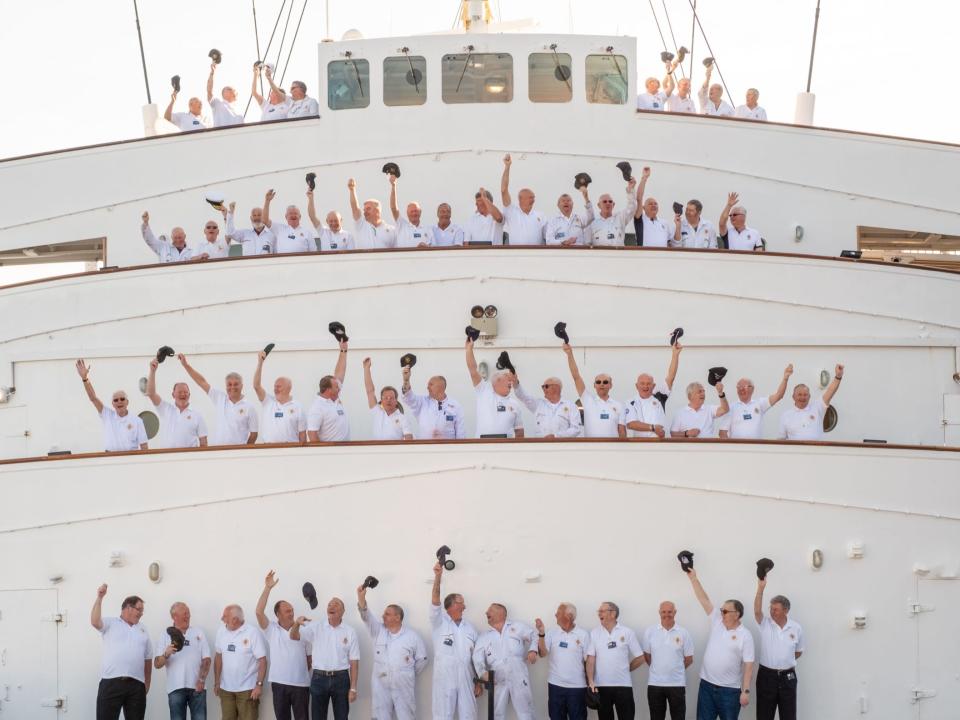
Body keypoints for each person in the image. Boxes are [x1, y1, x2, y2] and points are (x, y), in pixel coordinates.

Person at [686, 568, 755, 719]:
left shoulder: (745, 635)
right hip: (706, 687)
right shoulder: (717, 620)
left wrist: (746, 691)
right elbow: (704, 599)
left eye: (725, 611)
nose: (721, 613)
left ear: (736, 615)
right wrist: (693, 578)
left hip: (729, 692)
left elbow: (749, 665)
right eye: (721, 610)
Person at [356, 582, 428, 720]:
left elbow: (422, 659)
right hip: (380, 685)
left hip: (404, 686)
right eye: (384, 613)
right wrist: (361, 598)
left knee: (406, 717)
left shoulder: (412, 636)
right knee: (380, 717)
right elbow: (365, 616)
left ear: (398, 617)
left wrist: (407, 672)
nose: (383, 616)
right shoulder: (377, 631)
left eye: (387, 614)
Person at [291, 596, 360, 720]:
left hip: (341, 679)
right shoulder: (315, 627)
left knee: (342, 717)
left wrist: (353, 688)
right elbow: (294, 636)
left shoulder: (350, 631)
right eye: (329, 604)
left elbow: (354, 661)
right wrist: (296, 623)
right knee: (318, 717)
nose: (332, 606)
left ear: (343, 611)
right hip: (319, 679)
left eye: (336, 604)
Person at [255, 571, 311, 720]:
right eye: (287, 611)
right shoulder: (271, 629)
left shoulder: (304, 629)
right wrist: (268, 588)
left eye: (292, 610)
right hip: (279, 684)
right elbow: (259, 612)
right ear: (278, 615)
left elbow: (309, 659)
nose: (291, 613)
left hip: (301, 685)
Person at [92, 584, 152, 720]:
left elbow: (148, 658)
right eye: (139, 609)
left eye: (142, 610)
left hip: (136, 686)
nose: (141, 613)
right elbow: (95, 622)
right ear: (128, 608)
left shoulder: (143, 629)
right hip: (111, 683)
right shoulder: (111, 623)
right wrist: (100, 597)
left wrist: (147, 683)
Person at [430, 561, 480, 720]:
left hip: (467, 678)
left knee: (469, 716)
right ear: (450, 606)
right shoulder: (439, 622)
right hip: (444, 678)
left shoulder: (470, 628)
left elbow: (476, 657)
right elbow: (435, 600)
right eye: (461, 603)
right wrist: (438, 576)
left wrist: (478, 681)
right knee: (443, 716)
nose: (464, 606)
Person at [472, 603, 539, 720]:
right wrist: (482, 673)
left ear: (501, 613)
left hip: (518, 673)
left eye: (490, 611)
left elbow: (534, 636)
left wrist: (533, 650)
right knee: (496, 713)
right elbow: (476, 657)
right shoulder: (484, 636)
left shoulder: (517, 627)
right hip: (496, 677)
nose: (486, 613)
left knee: (525, 711)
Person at [178, 353, 258, 446]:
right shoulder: (220, 398)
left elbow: (254, 434)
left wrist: (244, 450)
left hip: (239, 453)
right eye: (229, 384)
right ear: (226, 386)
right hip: (219, 451)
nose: (232, 387)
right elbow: (201, 381)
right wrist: (185, 365)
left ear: (242, 386)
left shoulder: (249, 407)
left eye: (236, 384)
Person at [754, 572, 803, 720]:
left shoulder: (796, 628)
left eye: (776, 609)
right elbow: (757, 611)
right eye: (771, 608)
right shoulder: (766, 624)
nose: (772, 611)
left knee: (788, 716)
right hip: (766, 677)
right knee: (764, 716)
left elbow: (798, 652)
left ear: (786, 610)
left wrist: (784, 661)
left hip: (787, 677)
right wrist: (760, 588)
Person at [586, 602, 644, 720]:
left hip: (623, 686)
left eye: (602, 611)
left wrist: (626, 669)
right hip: (601, 686)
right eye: (599, 611)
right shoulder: (594, 633)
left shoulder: (627, 632)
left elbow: (640, 657)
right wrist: (591, 681)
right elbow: (590, 659)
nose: (599, 614)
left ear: (613, 614)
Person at [155, 602, 212, 720]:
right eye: (185, 613)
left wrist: (201, 680)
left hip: (197, 688)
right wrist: (166, 654)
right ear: (174, 616)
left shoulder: (198, 632)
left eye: (189, 613)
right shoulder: (165, 635)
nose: (188, 616)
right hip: (175, 688)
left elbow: (206, 659)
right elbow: (157, 664)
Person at [76, 359, 148, 451]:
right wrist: (84, 378)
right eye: (116, 400)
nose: (119, 402)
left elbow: (144, 447)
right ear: (112, 404)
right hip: (110, 460)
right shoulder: (107, 415)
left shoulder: (137, 421)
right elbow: (93, 398)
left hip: (130, 461)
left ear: (127, 402)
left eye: (122, 399)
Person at [536, 604, 592, 720]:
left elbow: (589, 661)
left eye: (559, 613)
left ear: (569, 616)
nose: (555, 615)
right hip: (555, 686)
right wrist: (541, 633)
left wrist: (590, 683)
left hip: (577, 687)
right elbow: (542, 654)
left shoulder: (583, 635)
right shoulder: (552, 633)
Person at [641, 602, 694, 720]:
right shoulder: (650, 631)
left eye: (670, 611)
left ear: (675, 612)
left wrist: (676, 668)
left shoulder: (683, 632)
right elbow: (647, 656)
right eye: (663, 611)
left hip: (677, 684)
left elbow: (689, 659)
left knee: (678, 717)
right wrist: (658, 668)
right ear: (659, 612)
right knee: (656, 717)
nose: (666, 614)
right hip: (655, 684)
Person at [562, 343, 625, 439]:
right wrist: (570, 354)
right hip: (591, 449)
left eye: (605, 382)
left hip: (613, 449)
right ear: (594, 385)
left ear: (610, 385)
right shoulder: (587, 400)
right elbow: (576, 377)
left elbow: (622, 430)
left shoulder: (619, 405)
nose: (602, 384)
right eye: (598, 382)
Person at [214, 605, 267, 720]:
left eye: (225, 616)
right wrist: (217, 681)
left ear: (235, 619)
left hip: (247, 690)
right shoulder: (221, 631)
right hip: (226, 690)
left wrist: (259, 685)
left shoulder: (252, 632)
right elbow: (218, 657)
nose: (222, 619)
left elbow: (262, 660)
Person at [465, 337, 524, 438]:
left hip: (506, 448)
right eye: (507, 378)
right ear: (497, 380)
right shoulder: (483, 390)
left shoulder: (514, 404)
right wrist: (469, 349)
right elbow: (473, 370)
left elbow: (519, 432)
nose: (510, 382)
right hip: (482, 446)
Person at [623, 339, 682, 438]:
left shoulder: (659, 396)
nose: (645, 386)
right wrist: (653, 428)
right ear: (636, 386)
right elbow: (631, 424)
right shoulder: (630, 402)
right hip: (641, 445)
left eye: (648, 384)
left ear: (653, 386)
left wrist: (675, 354)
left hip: (662, 444)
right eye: (642, 383)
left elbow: (670, 377)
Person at [146, 357, 209, 448]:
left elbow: (203, 442)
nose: (183, 394)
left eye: (185, 392)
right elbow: (151, 393)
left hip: (189, 459)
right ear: (173, 395)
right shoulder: (165, 408)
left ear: (189, 395)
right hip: (167, 458)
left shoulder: (197, 415)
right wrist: (152, 371)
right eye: (179, 392)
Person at [719, 365, 793, 440]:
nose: (741, 390)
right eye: (739, 387)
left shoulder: (760, 404)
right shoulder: (730, 408)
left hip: (756, 449)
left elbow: (779, 395)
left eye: (745, 387)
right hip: (738, 450)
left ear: (752, 388)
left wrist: (785, 378)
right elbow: (722, 432)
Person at [253, 350, 307, 444]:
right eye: (275, 386)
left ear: (288, 388)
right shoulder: (268, 401)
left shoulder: (298, 406)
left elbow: (302, 434)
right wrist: (260, 363)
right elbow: (256, 386)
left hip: (291, 449)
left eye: (279, 386)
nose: (275, 389)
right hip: (269, 449)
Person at [779, 364, 844, 441]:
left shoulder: (817, 407)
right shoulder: (786, 415)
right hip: (795, 452)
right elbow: (781, 440)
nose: (802, 397)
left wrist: (838, 377)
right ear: (793, 397)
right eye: (799, 394)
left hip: (816, 451)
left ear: (809, 396)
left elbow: (830, 392)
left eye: (805, 395)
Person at [401, 363, 466, 439]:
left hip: (447, 449)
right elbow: (408, 397)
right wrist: (406, 380)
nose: (427, 387)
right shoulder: (422, 402)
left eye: (431, 385)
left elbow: (461, 434)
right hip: (425, 448)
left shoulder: (455, 406)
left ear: (441, 387)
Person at [512, 373, 582, 438]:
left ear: (556, 387)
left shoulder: (571, 406)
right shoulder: (538, 404)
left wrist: (556, 436)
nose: (543, 389)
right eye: (543, 387)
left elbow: (576, 429)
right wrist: (516, 384)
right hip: (541, 447)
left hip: (561, 447)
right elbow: (523, 396)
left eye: (546, 386)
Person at [307, 338, 350, 442]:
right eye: (336, 387)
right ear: (328, 390)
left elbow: (340, 372)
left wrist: (343, 351)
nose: (340, 388)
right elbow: (312, 434)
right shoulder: (317, 408)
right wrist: (322, 454)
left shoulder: (335, 398)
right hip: (331, 453)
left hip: (345, 451)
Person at [363, 357, 413, 440]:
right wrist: (366, 368)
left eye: (391, 398)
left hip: (395, 452)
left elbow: (409, 439)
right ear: (381, 401)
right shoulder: (377, 412)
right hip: (376, 451)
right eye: (385, 398)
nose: (388, 400)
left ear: (396, 401)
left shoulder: (402, 418)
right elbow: (370, 391)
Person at [500, 154, 545, 245]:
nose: (533, 200)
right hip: (516, 256)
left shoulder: (541, 215)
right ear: (520, 199)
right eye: (530, 197)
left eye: (534, 197)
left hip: (537, 257)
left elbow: (548, 237)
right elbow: (504, 190)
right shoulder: (511, 211)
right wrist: (507, 167)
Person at [586, 178, 637, 247]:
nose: (608, 203)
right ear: (599, 205)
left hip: (618, 256)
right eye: (604, 201)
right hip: (599, 256)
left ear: (613, 205)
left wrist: (630, 191)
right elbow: (587, 244)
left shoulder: (620, 218)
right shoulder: (592, 222)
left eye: (610, 202)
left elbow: (632, 208)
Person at [348, 178, 397, 249]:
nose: (365, 212)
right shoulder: (361, 225)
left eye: (368, 209)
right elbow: (355, 207)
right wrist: (352, 190)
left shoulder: (392, 230)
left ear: (377, 210)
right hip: (364, 260)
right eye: (364, 210)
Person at [264, 190, 315, 254]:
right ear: (286, 217)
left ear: (300, 216)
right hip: (283, 263)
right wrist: (267, 201)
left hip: (301, 263)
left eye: (295, 213)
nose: (293, 216)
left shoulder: (307, 233)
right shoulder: (279, 229)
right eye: (290, 213)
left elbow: (314, 253)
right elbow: (265, 220)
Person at [389, 174, 433, 248]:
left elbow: (434, 249)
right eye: (411, 211)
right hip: (403, 259)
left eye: (416, 211)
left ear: (420, 212)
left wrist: (425, 246)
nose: (414, 213)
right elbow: (393, 208)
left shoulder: (428, 229)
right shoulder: (402, 225)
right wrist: (393, 186)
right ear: (407, 213)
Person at [633, 167, 671, 248]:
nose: (654, 205)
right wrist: (644, 178)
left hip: (662, 259)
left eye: (655, 204)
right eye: (650, 204)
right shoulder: (640, 220)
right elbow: (639, 198)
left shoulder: (665, 223)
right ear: (643, 207)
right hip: (645, 258)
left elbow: (669, 244)